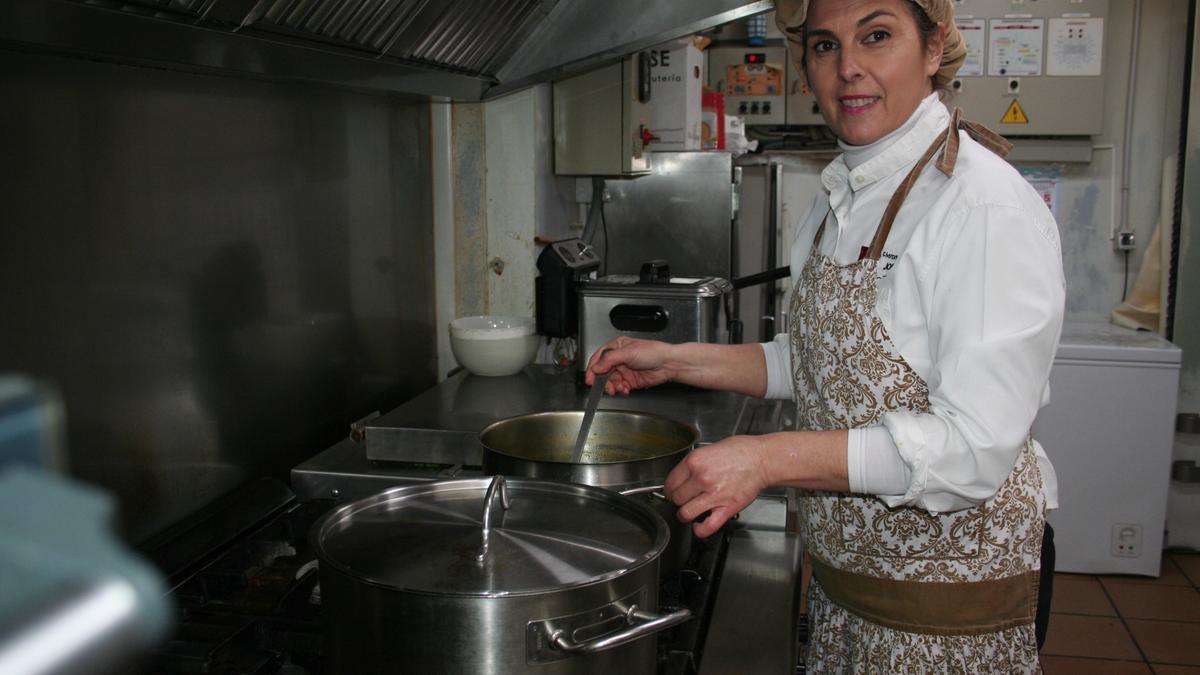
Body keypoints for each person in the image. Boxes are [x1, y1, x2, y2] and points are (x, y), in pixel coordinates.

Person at [582, 0, 1065, 671]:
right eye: (823, 46)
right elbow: (814, 362)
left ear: (934, 48)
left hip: (944, 620)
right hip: (850, 595)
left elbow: (972, 450)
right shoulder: (841, 193)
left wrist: (765, 459)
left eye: (876, 36)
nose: (849, 70)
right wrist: (678, 359)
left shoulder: (979, 207)